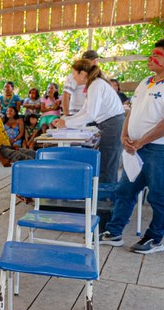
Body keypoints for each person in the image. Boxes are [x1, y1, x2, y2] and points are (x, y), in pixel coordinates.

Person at [98, 39, 164, 254]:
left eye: (157, 55)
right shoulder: (146, 81)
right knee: (125, 191)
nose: (151, 59)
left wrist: (141, 141)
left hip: (157, 150)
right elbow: (132, 111)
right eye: (151, 54)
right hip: (135, 149)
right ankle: (114, 232)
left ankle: (156, 237)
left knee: (158, 196)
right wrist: (124, 135)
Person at [53, 59, 125, 183]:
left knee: (107, 165)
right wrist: (66, 119)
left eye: (74, 74)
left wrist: (66, 123)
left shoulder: (96, 85)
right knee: (106, 162)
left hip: (113, 124)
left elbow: (90, 115)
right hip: (109, 124)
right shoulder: (93, 84)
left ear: (82, 74)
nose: (73, 77)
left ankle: (107, 197)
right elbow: (84, 111)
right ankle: (104, 195)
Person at [0, 94, 35, 166]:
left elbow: (2, 134)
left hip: (6, 148)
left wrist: (11, 146)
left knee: (33, 154)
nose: (0, 106)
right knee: (25, 158)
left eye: (0, 103)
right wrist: (1, 159)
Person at [63, 49, 100, 115]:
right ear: (95, 61)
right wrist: (66, 115)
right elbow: (66, 95)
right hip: (77, 112)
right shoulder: (73, 75)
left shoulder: (98, 76)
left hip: (91, 112)